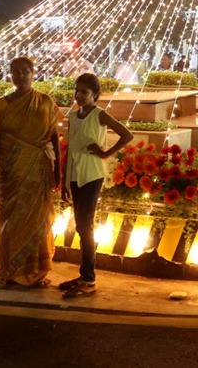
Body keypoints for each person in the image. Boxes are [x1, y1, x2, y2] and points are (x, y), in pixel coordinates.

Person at [0, 57, 64, 289]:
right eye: (15, 72)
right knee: (9, 224)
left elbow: (54, 138)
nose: (20, 76)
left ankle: (38, 272)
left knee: (38, 221)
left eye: (25, 71)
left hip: (38, 173)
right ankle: (5, 272)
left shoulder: (45, 102)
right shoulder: (2, 104)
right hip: (10, 175)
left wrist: (57, 169)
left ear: (33, 73)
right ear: (10, 75)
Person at [59, 72, 133, 298]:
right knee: (81, 226)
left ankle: (89, 278)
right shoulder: (73, 116)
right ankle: (84, 275)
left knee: (85, 226)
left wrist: (106, 153)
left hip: (92, 175)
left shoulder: (100, 115)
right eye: (77, 91)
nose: (79, 95)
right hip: (75, 175)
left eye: (84, 92)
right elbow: (70, 150)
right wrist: (65, 182)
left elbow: (126, 135)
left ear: (95, 94)